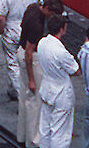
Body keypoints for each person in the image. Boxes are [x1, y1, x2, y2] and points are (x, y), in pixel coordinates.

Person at [0, 0, 40, 140]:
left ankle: (22, 97)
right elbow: (39, 8)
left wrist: (1, 31)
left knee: (13, 64)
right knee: (29, 60)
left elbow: (0, 18)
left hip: (11, 31)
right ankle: (24, 90)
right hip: (28, 31)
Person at [32, 15, 78, 148]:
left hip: (47, 88)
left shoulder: (42, 42)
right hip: (61, 92)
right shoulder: (61, 52)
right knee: (60, 132)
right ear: (62, 29)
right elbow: (75, 70)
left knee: (45, 127)